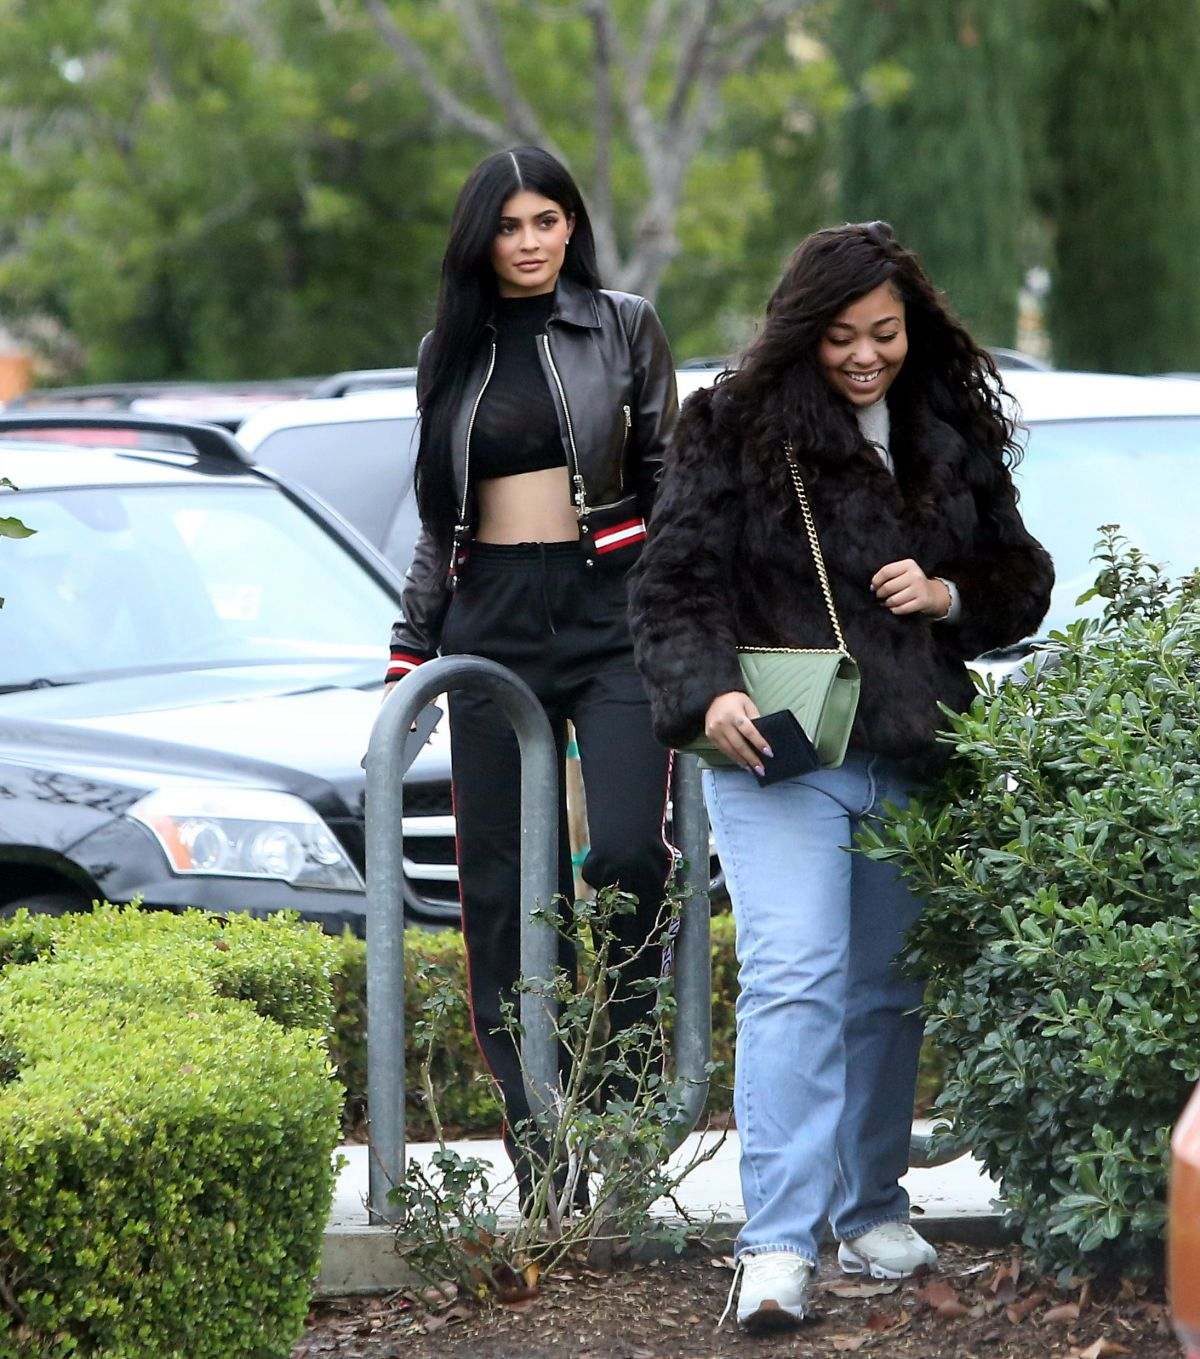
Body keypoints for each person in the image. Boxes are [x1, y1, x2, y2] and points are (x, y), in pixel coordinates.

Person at [629, 222, 1053, 1330]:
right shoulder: (729, 426)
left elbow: (1020, 577)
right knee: (797, 983)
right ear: (801, 330)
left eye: (886, 335)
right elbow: (673, 585)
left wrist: (951, 595)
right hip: (780, 749)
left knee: (882, 994)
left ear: (914, 326)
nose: (866, 357)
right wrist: (708, 694)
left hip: (913, 746)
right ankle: (774, 1244)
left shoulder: (944, 428)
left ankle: (867, 1210)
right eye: (842, 338)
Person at [384, 146, 679, 1198]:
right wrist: (411, 644)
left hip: (611, 610)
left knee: (635, 854)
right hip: (491, 618)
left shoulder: (625, 325)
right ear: (481, 240)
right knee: (507, 892)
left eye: (547, 221)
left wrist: (679, 615)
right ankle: (537, 1144)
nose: (530, 243)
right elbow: (436, 521)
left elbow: (669, 486)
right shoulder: (448, 351)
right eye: (509, 227)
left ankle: (619, 1084)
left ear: (571, 226)